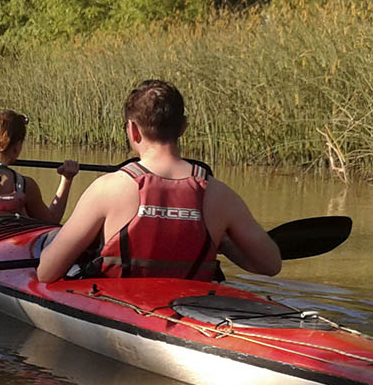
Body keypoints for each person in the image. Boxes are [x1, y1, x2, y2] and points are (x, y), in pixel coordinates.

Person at [37, 80, 281, 283]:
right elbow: (271, 265)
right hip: (193, 307)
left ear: (133, 130)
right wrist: (223, 241)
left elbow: (46, 272)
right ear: (183, 127)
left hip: (120, 309)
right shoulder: (220, 194)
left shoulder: (108, 188)